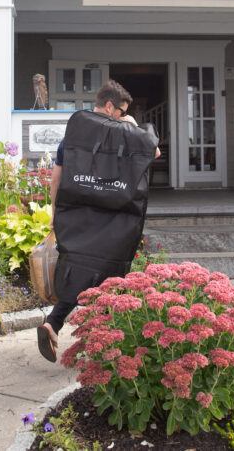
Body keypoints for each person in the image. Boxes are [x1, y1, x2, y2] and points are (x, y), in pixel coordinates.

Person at [37, 80, 159, 362]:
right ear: (108, 106)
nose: (121, 116)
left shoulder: (76, 134)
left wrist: (56, 213)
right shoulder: (127, 135)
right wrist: (132, 122)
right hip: (115, 221)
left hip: (79, 217)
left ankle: (52, 325)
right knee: (111, 277)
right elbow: (154, 152)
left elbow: (57, 175)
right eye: (121, 111)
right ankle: (104, 345)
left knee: (78, 269)